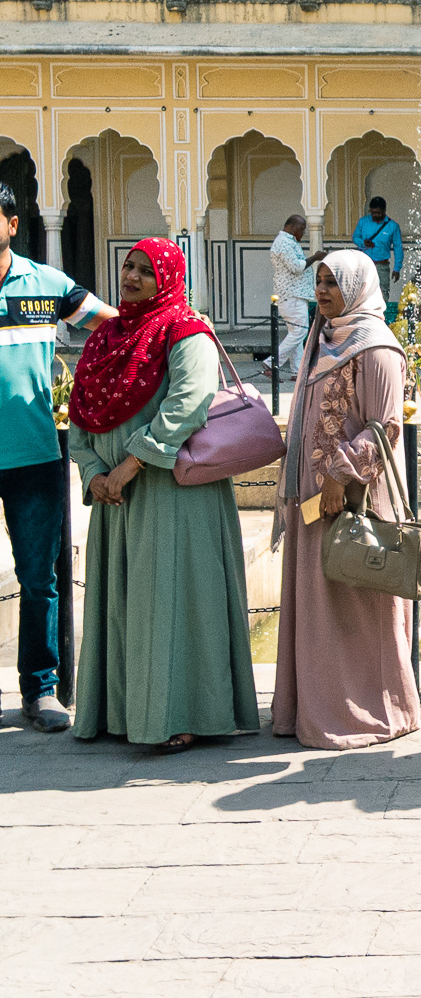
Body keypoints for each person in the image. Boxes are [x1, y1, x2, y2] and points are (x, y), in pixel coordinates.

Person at [70, 240, 259, 752]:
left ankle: (184, 712)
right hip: (113, 498)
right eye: (128, 266)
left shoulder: (184, 330)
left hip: (173, 494)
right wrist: (93, 473)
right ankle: (121, 711)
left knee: (175, 601)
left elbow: (190, 401)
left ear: (168, 279)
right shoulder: (106, 336)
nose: (131, 277)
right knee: (128, 604)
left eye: (145, 271)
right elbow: (81, 412)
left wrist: (130, 465)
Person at [271, 250, 419, 749]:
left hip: (354, 503)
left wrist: (340, 473)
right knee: (323, 608)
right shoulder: (323, 339)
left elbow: (386, 426)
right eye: (320, 282)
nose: (324, 291)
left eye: (335, 283)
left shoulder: (376, 347)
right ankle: (315, 706)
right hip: (315, 503)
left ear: (358, 288)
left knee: (357, 606)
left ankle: (368, 710)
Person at [0, 182, 112, 732]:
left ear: (13, 224)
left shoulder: (46, 286)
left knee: (39, 577)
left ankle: (39, 691)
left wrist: (177, 326)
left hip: (34, 455)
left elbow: (113, 324)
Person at [267, 213, 321, 377]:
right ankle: (271, 363)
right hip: (291, 295)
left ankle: (297, 371)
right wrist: (315, 257)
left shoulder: (288, 242)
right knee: (300, 332)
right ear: (291, 228)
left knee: (295, 333)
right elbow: (296, 267)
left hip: (294, 294)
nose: (302, 233)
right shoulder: (284, 243)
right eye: (301, 229)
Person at [352, 197, 404, 323]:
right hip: (364, 264)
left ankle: (379, 321)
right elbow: (355, 237)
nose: (375, 215)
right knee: (362, 293)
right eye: (373, 212)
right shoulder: (363, 222)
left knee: (382, 293)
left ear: (384, 211)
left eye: (378, 213)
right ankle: (363, 321)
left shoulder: (392, 226)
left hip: (382, 266)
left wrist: (397, 268)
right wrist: (363, 243)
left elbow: (398, 248)